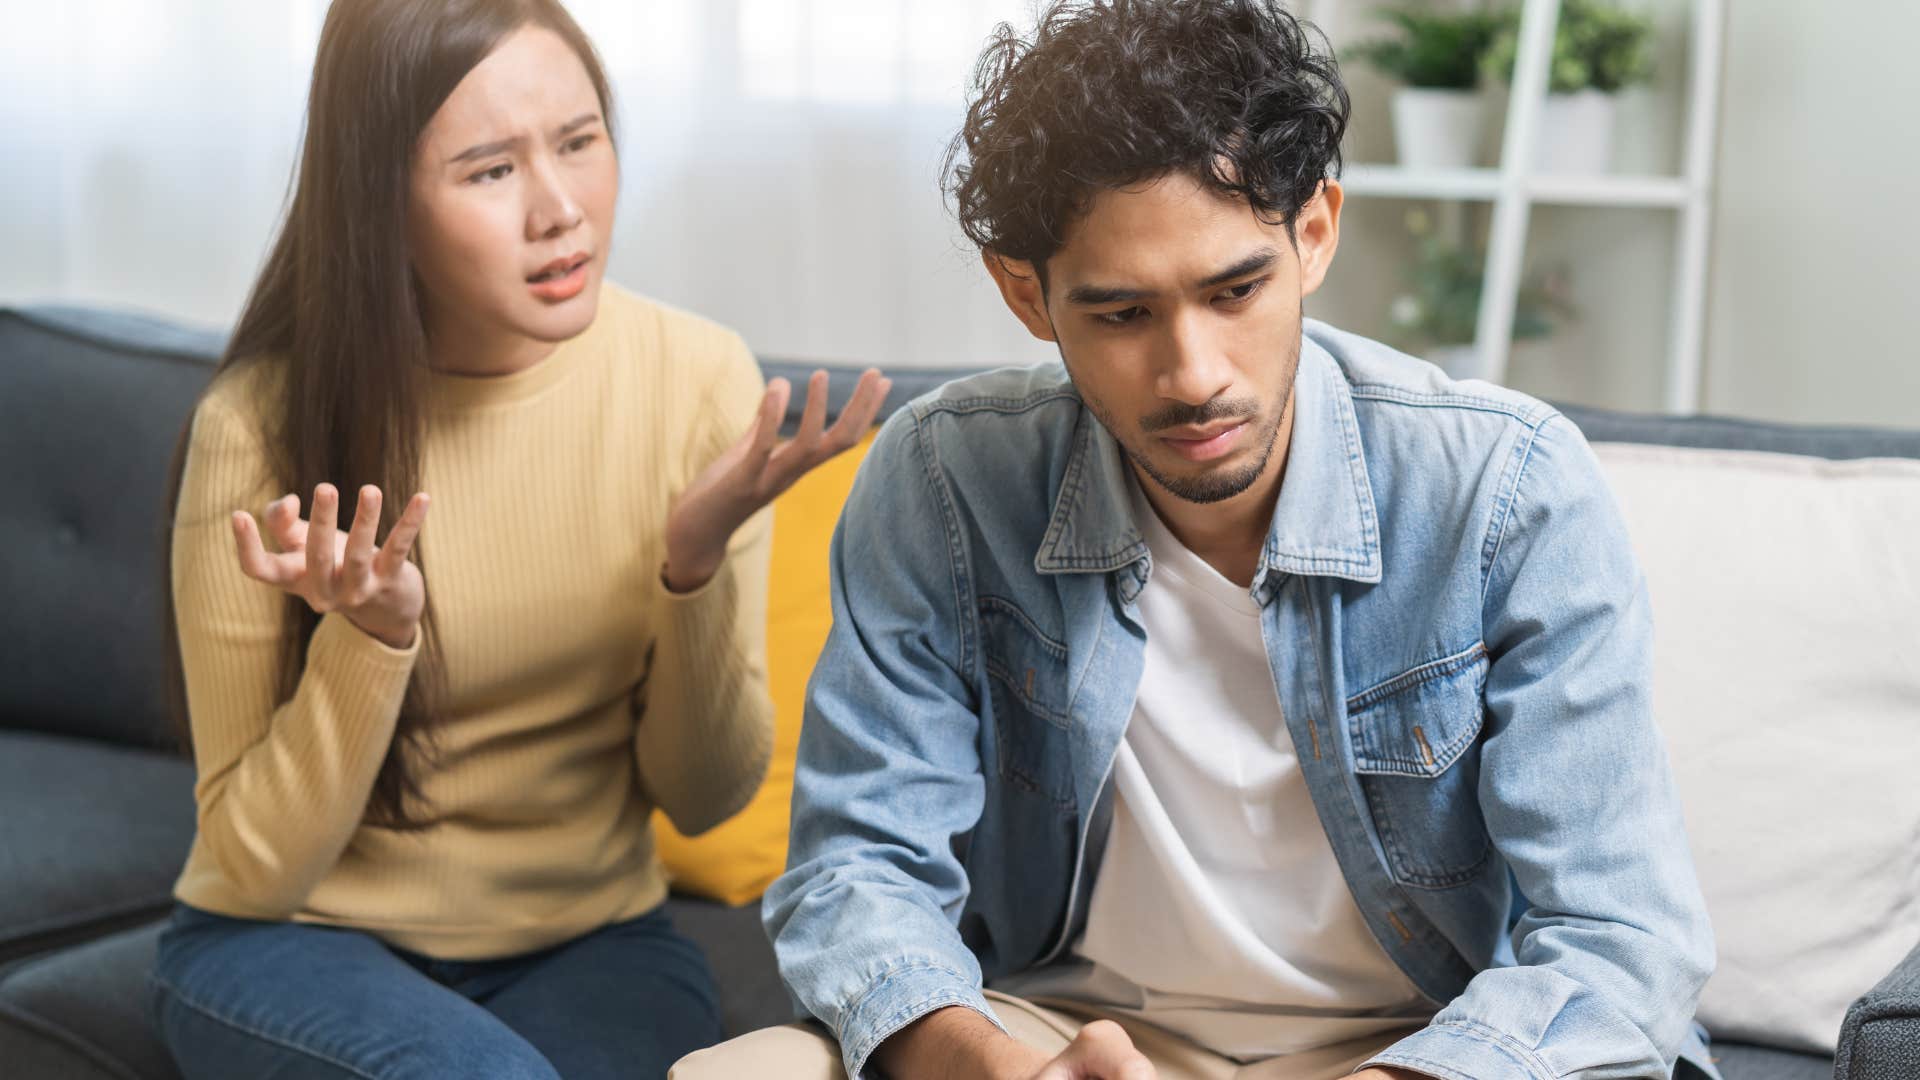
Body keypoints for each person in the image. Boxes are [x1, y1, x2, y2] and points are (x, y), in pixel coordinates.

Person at [673, 2, 1715, 1078]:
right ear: (1024, 291)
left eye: (1235, 291)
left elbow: (1622, 942)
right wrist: (1002, 1070)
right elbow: (859, 869)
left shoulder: (1509, 491)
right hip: (1070, 1037)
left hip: (1422, 1050)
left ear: (1314, 233)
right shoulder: (943, 480)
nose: (1193, 374)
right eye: (1123, 314)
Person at [148, 1, 888, 1077]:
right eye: (490, 170)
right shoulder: (258, 428)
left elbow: (706, 793)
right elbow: (252, 872)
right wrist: (373, 640)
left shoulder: (696, 382)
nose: (561, 211)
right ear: (381, 201)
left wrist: (693, 567)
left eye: (581, 144)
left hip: (591, 942)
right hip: (287, 944)